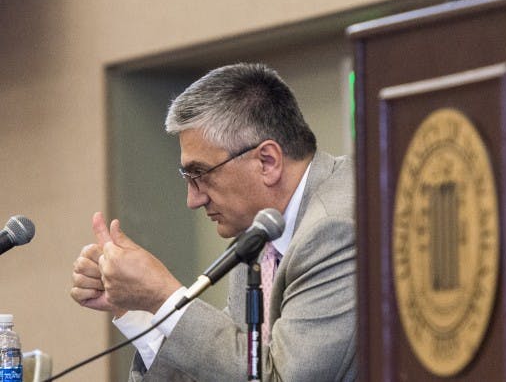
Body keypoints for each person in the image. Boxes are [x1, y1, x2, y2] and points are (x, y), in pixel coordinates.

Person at [70, 63, 357, 380]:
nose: (193, 200)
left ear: (267, 161)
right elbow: (229, 369)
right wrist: (137, 309)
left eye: (200, 175)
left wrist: (164, 296)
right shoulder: (257, 237)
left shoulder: (337, 228)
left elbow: (280, 377)